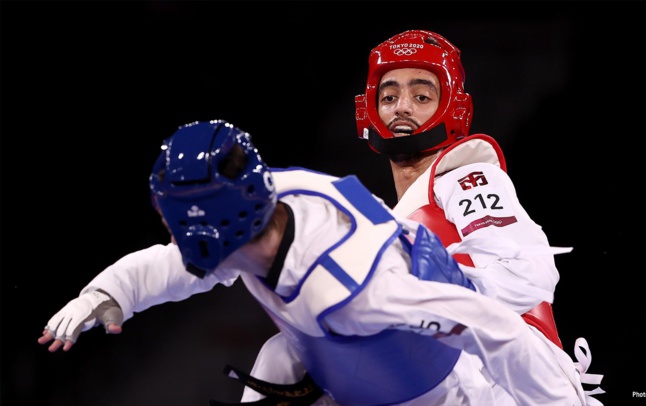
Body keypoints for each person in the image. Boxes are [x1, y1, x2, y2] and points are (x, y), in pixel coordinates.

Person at [38, 120, 598, 406]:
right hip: (347, 358)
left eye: (177, 219)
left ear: (218, 226)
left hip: (448, 393)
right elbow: (174, 264)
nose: (170, 230)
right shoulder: (278, 192)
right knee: (278, 356)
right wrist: (110, 293)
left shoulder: (355, 289)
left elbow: (492, 326)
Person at [240, 30, 605, 405]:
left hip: (517, 383)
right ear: (369, 110)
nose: (402, 107)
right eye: (389, 96)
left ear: (452, 108)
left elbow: (526, 276)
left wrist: (421, 294)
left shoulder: (466, 176)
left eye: (421, 96)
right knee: (287, 355)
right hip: (445, 374)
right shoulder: (384, 220)